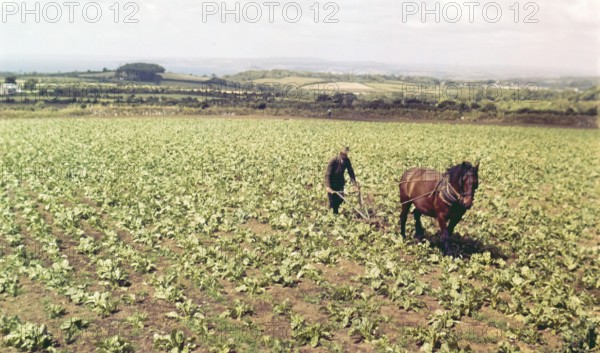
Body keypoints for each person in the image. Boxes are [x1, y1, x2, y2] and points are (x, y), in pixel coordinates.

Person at [324, 146, 359, 214]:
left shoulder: (347, 161)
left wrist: (354, 184)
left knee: (340, 199)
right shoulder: (333, 160)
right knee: (333, 202)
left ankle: (335, 212)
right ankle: (332, 214)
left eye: (346, 154)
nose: (345, 155)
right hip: (332, 183)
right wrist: (328, 186)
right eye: (344, 154)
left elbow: (351, 172)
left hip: (340, 183)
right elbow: (327, 174)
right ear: (340, 153)